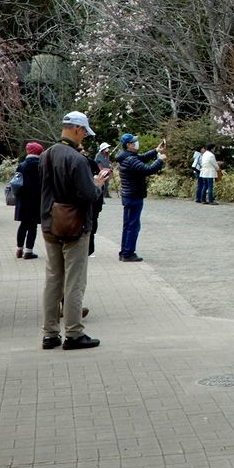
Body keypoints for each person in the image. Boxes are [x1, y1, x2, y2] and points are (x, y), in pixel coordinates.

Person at [40, 110, 105, 350]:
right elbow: (88, 195)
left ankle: (49, 333)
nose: (84, 138)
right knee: (74, 282)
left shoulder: (45, 155)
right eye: (85, 133)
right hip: (75, 225)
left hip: (49, 224)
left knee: (53, 280)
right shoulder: (76, 159)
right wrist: (98, 185)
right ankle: (74, 333)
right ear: (77, 129)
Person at [114, 132, 165, 261]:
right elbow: (147, 170)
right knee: (133, 226)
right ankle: (128, 253)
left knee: (128, 225)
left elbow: (141, 158)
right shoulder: (131, 159)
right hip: (134, 196)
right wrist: (160, 160)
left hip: (128, 195)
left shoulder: (126, 157)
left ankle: (124, 251)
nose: (137, 143)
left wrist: (155, 151)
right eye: (134, 141)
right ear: (130, 145)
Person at [14, 142, 44, 259]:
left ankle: (19, 249)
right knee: (33, 225)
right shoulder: (41, 166)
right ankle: (29, 250)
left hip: (23, 198)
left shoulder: (22, 165)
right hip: (37, 199)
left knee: (23, 224)